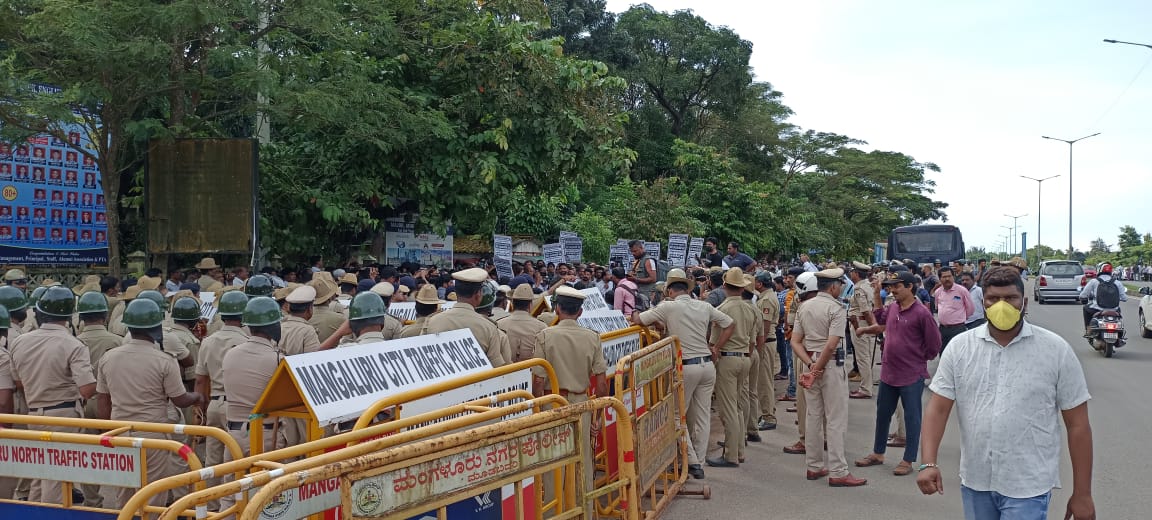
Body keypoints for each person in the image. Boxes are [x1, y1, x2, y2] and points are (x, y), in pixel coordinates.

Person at [918, 267, 1095, 520]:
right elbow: (938, 408)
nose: (1002, 306)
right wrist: (928, 463)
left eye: (1010, 298)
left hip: (1028, 485)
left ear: (1024, 302)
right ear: (983, 302)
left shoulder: (1055, 350)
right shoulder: (960, 348)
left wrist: (1082, 493)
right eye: (993, 299)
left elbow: (1078, 425)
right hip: (977, 480)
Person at [95, 298, 202, 508]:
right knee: (152, 492)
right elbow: (180, 399)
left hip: (119, 430)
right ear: (156, 327)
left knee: (124, 491)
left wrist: (106, 431)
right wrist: (197, 397)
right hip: (152, 433)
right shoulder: (164, 361)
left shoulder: (108, 358)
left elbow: (102, 399)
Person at [633, 268, 733, 480]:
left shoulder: (668, 306)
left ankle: (693, 462)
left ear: (669, 290)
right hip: (707, 365)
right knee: (703, 416)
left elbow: (639, 320)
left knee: (677, 415)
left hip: (685, 367)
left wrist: (634, 312)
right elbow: (729, 324)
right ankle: (699, 460)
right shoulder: (703, 305)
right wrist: (716, 348)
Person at [8, 286, 97, 503]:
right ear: (69, 316)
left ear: (38, 312)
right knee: (58, 477)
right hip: (63, 415)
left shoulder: (21, 341)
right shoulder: (73, 345)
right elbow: (87, 389)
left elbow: (18, 381)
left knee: (41, 475)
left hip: (33, 414)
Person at [853, 271, 941, 477]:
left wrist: (917, 359)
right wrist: (876, 295)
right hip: (889, 372)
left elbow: (934, 345)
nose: (892, 290)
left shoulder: (922, 313)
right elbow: (880, 319)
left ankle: (908, 459)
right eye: (890, 286)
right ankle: (878, 453)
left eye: (897, 286)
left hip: (911, 374)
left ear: (910, 287)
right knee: (883, 414)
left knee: (912, 417)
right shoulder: (893, 307)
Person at [791, 268, 865, 487]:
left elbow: (795, 341)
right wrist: (817, 370)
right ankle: (838, 470)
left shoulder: (804, 306)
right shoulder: (836, 308)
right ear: (833, 286)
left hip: (811, 361)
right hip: (830, 366)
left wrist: (811, 366)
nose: (841, 288)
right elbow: (832, 345)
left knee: (813, 416)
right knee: (835, 419)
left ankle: (814, 466)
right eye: (840, 284)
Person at [218, 297, 284, 514]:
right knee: (269, 498)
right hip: (266, 437)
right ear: (274, 326)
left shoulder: (230, 354)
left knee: (230, 496)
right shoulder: (276, 359)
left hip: (234, 436)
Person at [193, 290, 248, 510]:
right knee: (236, 461)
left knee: (212, 461)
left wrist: (202, 409)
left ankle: (212, 508)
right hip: (239, 406)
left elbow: (199, 380)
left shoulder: (208, 341)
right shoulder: (247, 341)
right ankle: (235, 507)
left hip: (215, 403)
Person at [706, 268, 758, 469]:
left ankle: (731, 455)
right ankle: (738, 451)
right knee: (736, 407)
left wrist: (716, 350)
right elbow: (753, 340)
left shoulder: (723, 309)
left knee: (728, 409)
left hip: (728, 359)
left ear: (725, 285)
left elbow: (714, 339)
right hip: (745, 357)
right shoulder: (750, 308)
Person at [74, 291, 122, 507]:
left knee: (88, 456)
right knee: (122, 452)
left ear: (81, 317)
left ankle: (92, 500)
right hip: (111, 402)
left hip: (82, 403)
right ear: (105, 314)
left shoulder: (74, 341)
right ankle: (126, 499)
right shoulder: (117, 342)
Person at [425, 268, 509, 367]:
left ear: (456, 293)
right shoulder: (488, 328)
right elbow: (497, 368)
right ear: (478, 295)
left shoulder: (432, 321)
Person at [753, 271, 780, 431]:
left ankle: (768, 416)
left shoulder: (767, 299)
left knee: (764, 382)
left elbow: (765, 326)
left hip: (765, 342)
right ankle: (768, 412)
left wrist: (758, 348)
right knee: (765, 380)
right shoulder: (766, 297)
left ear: (760, 284)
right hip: (766, 342)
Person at [847, 261, 877, 399]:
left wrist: (871, 327)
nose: (850, 273)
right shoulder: (868, 285)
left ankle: (865, 389)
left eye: (852, 272)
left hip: (859, 323)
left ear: (856, 274)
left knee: (863, 358)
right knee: (866, 357)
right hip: (865, 323)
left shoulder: (859, 288)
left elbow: (865, 310)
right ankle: (867, 386)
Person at [498, 284, 547, 362]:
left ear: (513, 303)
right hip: (531, 371)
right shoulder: (542, 327)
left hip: (505, 371)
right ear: (530, 305)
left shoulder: (499, 324)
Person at [1078, 262, 1126, 338]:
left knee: (1085, 308)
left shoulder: (1094, 281)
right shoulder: (1117, 282)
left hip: (1097, 309)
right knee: (1119, 312)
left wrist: (1084, 298)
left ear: (1099, 270)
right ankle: (1120, 334)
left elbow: (1083, 295)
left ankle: (1088, 329)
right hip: (1114, 310)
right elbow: (1124, 298)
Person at [933, 266, 973, 351]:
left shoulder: (962, 291)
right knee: (943, 352)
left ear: (953, 277)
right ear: (940, 278)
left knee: (958, 353)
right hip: (943, 329)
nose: (947, 279)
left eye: (949, 276)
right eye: (944, 277)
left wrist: (960, 319)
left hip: (958, 329)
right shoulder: (938, 292)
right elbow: (937, 307)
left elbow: (970, 309)